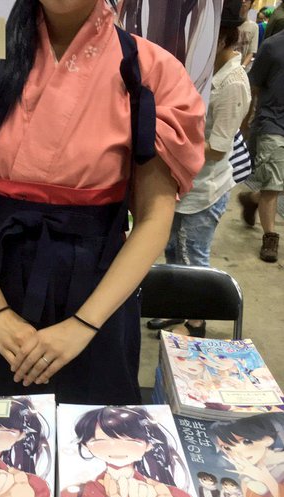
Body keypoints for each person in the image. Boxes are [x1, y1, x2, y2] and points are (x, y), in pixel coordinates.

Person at [0, 0, 205, 405]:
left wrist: (82, 326)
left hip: (99, 295)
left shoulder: (151, 71)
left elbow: (154, 218)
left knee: (98, 435)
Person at [151, 0, 251, 338]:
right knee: (171, 249)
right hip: (183, 182)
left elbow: (219, 149)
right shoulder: (201, 70)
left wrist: (168, 141)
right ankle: (177, 308)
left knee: (192, 255)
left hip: (206, 188)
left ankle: (195, 322)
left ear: (223, 38)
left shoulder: (232, 82)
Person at [60, 406, 204, 497]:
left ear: (149, 445)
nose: (116, 448)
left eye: (130, 441)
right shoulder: (72, 496)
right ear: (86, 446)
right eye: (101, 442)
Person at [237, 28, 284, 262]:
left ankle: (252, 199)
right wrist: (245, 122)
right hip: (273, 122)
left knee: (275, 183)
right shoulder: (272, 46)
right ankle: (270, 238)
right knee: (273, 183)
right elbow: (253, 86)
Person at [210, 414, 284, 497]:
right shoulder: (247, 473)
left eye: (246, 442)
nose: (237, 452)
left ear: (267, 439)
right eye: (227, 448)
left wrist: (266, 479)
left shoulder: (280, 464)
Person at [236, 0, 258, 71]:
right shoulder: (228, 24)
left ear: (251, 4)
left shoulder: (254, 26)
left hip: (241, 68)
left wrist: (242, 67)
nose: (243, 1)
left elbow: (251, 51)